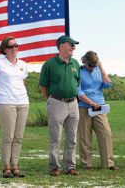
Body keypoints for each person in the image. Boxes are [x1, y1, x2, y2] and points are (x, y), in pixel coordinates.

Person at [0, 36, 29, 178]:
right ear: (5, 49)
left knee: (19, 137)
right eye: (11, 46)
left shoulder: (23, 64)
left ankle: (15, 166)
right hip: (6, 103)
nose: (15, 48)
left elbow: (22, 83)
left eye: (16, 45)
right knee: (8, 137)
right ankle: (6, 168)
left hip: (23, 103)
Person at [39, 35, 81, 176]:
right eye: (71, 45)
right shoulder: (49, 64)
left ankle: (70, 167)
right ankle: (55, 167)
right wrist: (51, 99)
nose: (73, 47)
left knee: (72, 138)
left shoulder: (75, 64)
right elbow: (43, 85)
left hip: (73, 104)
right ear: (62, 45)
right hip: (56, 103)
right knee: (55, 137)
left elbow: (77, 83)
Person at [77, 51, 118, 170]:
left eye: (94, 65)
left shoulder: (98, 69)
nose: (92, 68)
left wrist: (101, 68)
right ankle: (87, 164)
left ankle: (108, 164)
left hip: (99, 107)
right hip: (84, 106)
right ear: (84, 61)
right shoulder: (79, 71)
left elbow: (108, 85)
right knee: (84, 136)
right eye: (90, 65)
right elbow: (78, 91)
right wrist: (91, 103)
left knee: (106, 133)